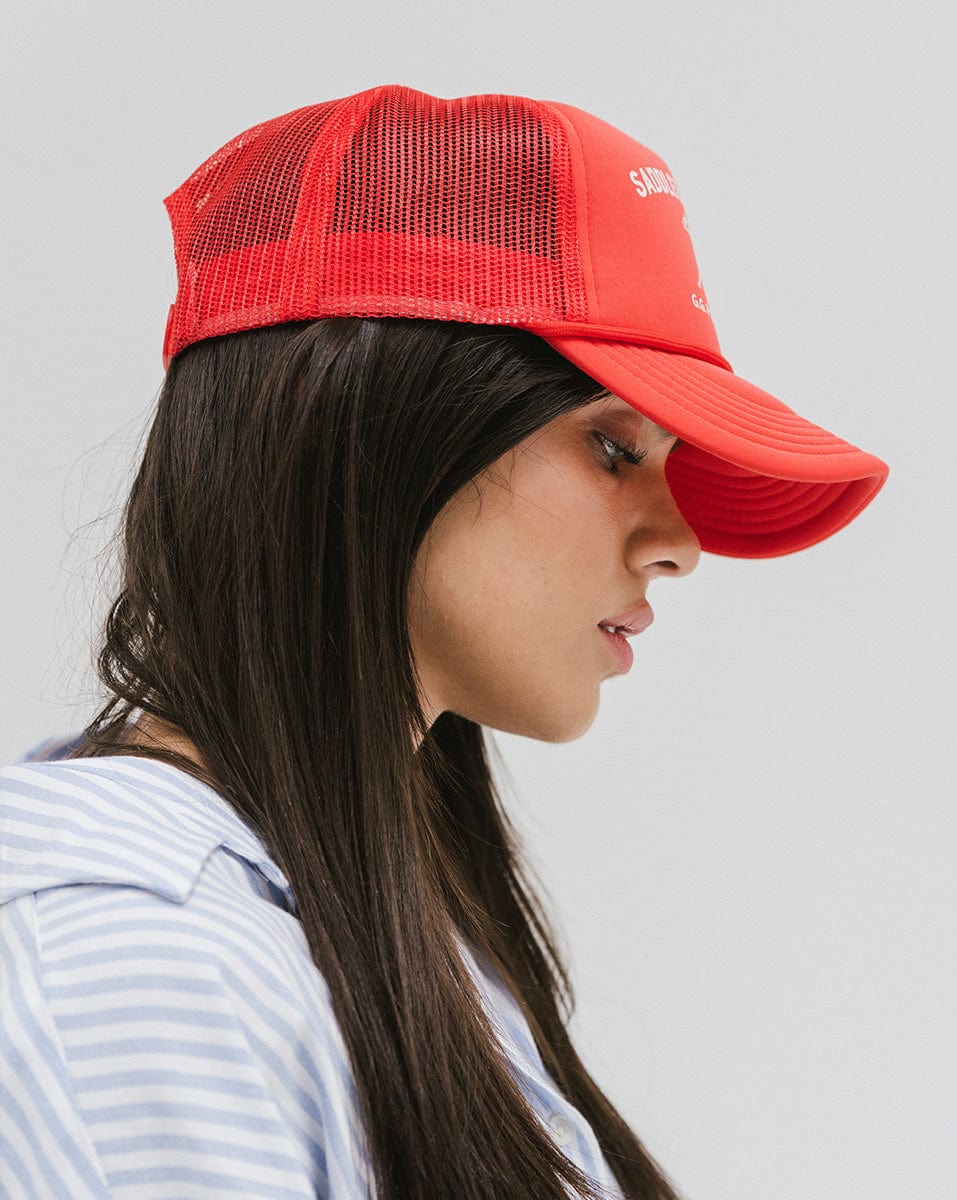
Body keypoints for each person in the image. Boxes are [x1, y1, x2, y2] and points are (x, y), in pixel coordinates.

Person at [0, 85, 888, 1199]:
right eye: (613, 449)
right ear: (368, 429)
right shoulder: (143, 962)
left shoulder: (366, 927)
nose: (679, 546)